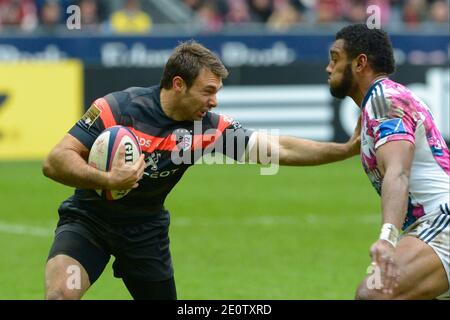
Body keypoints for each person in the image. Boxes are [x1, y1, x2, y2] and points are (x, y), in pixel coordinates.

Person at [42, 40, 360, 300]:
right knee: (60, 296)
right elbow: (55, 160)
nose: (215, 101)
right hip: (88, 222)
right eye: (208, 91)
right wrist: (107, 179)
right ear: (178, 84)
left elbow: (278, 148)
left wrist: (344, 149)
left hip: (145, 233)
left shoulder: (207, 128)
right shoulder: (117, 108)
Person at [326, 24, 449, 299]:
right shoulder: (379, 102)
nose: (328, 68)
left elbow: (398, 171)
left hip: (442, 221)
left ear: (360, 63)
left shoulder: (384, 101)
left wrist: (387, 237)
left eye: (335, 59)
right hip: (430, 225)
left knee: (374, 293)